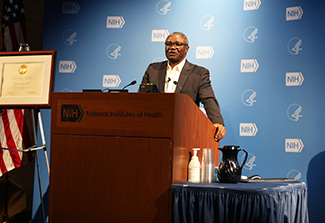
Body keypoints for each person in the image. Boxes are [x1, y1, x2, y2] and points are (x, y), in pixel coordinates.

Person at [141, 32, 226, 141]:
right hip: (155, 128)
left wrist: (217, 122)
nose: (172, 48)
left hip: (184, 130)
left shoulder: (199, 73)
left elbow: (208, 99)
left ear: (186, 49)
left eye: (177, 44)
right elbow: (143, 97)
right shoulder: (153, 69)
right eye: (169, 44)